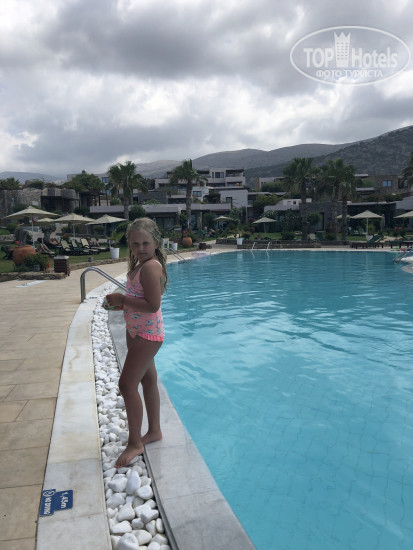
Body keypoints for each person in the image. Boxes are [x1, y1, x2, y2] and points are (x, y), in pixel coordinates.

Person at [105, 218, 168, 468]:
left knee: (126, 384)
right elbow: (138, 299)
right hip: (136, 330)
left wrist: (123, 300)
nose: (140, 248)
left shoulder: (150, 267)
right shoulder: (140, 265)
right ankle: (154, 431)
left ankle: (135, 443)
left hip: (148, 334)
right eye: (134, 244)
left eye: (145, 243)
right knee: (148, 380)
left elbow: (152, 305)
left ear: (156, 242)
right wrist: (121, 304)